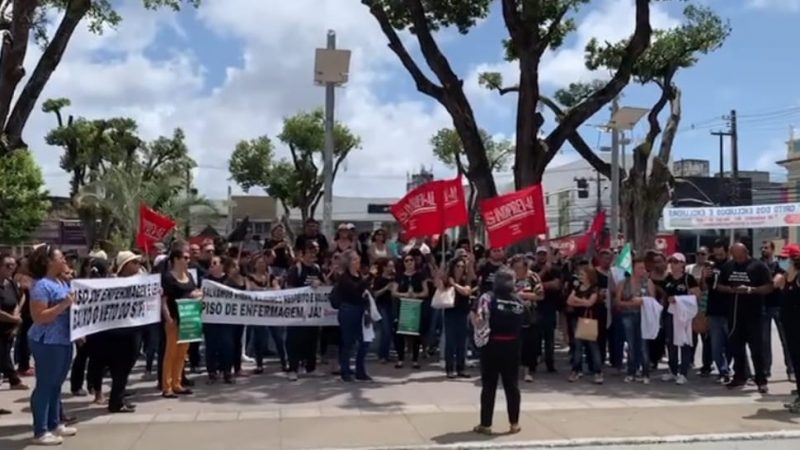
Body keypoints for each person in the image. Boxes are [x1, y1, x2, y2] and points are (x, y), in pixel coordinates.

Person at [27, 245, 77, 445]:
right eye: (60, 257)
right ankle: (40, 430)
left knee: (57, 384)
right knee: (45, 384)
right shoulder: (41, 286)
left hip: (63, 339)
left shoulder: (62, 282)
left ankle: (54, 423)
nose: (64, 260)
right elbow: (39, 317)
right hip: (47, 341)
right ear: (48, 262)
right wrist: (63, 305)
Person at [472, 269, 524, 436]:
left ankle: (486, 424)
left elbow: (480, 320)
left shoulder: (488, 297)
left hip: (492, 345)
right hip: (512, 345)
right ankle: (514, 423)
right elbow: (528, 320)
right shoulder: (518, 300)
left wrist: (475, 327)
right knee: (512, 386)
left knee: (489, 385)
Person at [716, 243, 771, 393]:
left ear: (746, 252)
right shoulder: (728, 267)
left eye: (740, 256)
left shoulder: (758, 266)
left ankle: (761, 380)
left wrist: (750, 290)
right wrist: (730, 289)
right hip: (734, 314)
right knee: (736, 347)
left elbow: (769, 287)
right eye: (735, 256)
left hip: (754, 314)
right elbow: (719, 286)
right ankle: (740, 376)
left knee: (757, 349)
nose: (738, 259)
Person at [161, 247, 201, 398]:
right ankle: (167, 386)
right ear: (176, 259)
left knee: (182, 353)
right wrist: (168, 318)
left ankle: (177, 383)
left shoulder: (189, 275)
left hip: (188, 317)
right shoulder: (168, 278)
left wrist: (199, 294)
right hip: (174, 318)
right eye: (185, 257)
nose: (188, 260)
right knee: (170, 353)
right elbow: (163, 300)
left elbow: (192, 291)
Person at [285, 241, 326, 381]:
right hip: (297, 312)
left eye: (315, 252)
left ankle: (310, 367)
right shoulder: (295, 269)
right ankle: (293, 369)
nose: (313, 255)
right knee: (294, 340)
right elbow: (289, 289)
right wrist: (307, 288)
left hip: (312, 312)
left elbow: (325, 286)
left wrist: (320, 284)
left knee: (312, 340)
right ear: (302, 254)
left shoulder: (316, 269)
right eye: (310, 252)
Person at [662, 253, 700, 385]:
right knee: (671, 342)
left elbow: (697, 293)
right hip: (670, 314)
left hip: (684, 315)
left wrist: (679, 299)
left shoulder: (688, 278)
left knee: (684, 342)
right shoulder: (668, 278)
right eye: (671, 261)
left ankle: (683, 372)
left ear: (683, 264)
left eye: (676, 262)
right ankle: (673, 370)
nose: (673, 264)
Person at [615, 257, 655, 384]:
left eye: (644, 268)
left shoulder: (648, 283)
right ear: (633, 269)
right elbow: (617, 301)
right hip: (628, 315)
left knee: (643, 345)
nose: (643, 270)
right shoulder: (623, 283)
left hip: (643, 316)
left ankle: (645, 373)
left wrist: (642, 301)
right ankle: (631, 372)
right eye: (640, 268)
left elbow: (653, 301)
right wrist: (630, 304)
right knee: (631, 344)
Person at [334, 250, 372, 382]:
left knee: (365, 341)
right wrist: (367, 279)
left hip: (362, 309)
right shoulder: (344, 277)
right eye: (355, 260)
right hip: (349, 310)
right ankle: (345, 371)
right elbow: (354, 290)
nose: (358, 262)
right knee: (348, 342)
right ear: (349, 262)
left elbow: (364, 290)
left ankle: (360, 370)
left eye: (358, 259)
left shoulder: (359, 275)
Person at [567, 265, 604, 385]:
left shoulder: (594, 288)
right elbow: (569, 300)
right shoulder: (577, 287)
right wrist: (582, 302)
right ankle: (576, 370)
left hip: (589, 319)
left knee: (593, 346)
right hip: (577, 319)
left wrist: (577, 301)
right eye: (579, 274)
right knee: (577, 346)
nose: (580, 277)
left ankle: (598, 372)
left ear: (589, 276)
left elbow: (590, 303)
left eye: (582, 274)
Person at [391, 253, 429, 369]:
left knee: (416, 333)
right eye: (406, 261)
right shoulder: (399, 276)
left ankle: (415, 360)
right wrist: (405, 295)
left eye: (411, 260)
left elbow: (426, 292)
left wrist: (416, 295)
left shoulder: (420, 275)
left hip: (416, 307)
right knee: (400, 333)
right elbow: (394, 292)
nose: (409, 262)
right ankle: (400, 359)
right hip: (403, 307)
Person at [703, 240, 733, 384]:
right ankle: (723, 371)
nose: (718, 257)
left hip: (729, 311)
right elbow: (704, 288)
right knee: (715, 347)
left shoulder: (732, 265)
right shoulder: (711, 265)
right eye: (716, 254)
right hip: (714, 311)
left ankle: (741, 372)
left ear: (727, 252)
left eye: (721, 254)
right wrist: (705, 276)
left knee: (733, 344)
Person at [510, 255, 543, 382]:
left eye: (520, 267)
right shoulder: (509, 277)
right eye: (515, 268)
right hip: (512, 315)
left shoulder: (533, 277)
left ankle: (527, 370)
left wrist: (522, 295)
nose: (517, 270)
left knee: (529, 343)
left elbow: (540, 295)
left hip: (529, 314)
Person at [203, 255, 235, 384]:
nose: (211, 265)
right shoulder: (205, 280)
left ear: (222, 265)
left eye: (215, 263)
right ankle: (212, 372)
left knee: (227, 345)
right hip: (210, 319)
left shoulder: (230, 281)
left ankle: (227, 371)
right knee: (211, 346)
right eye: (210, 263)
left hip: (226, 319)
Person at [443, 257, 476, 379]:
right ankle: (449, 368)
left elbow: (466, 291)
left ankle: (461, 368)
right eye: (458, 266)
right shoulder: (447, 279)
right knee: (450, 342)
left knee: (462, 342)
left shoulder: (465, 279)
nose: (460, 269)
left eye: (462, 266)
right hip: (450, 312)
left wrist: (454, 284)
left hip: (463, 312)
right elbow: (439, 284)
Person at [776, 244, 800, 412]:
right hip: (789, 325)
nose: (781, 261)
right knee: (796, 361)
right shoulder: (786, 276)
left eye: (785, 258)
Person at [0, 253, 27, 391]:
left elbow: (20, 297)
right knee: (3, 356)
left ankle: (13, 379)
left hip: (9, 329)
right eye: (7, 265)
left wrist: (17, 312)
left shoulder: (10, 283)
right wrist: (14, 319)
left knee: (4, 356)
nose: (11, 268)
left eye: (13, 265)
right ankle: (14, 379)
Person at [370, 258, 397, 363]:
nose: (391, 268)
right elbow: (375, 294)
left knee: (390, 330)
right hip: (381, 306)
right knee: (385, 330)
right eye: (389, 266)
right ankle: (381, 355)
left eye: (392, 266)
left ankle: (386, 353)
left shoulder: (393, 279)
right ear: (384, 267)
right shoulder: (379, 279)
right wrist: (386, 288)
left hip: (391, 305)